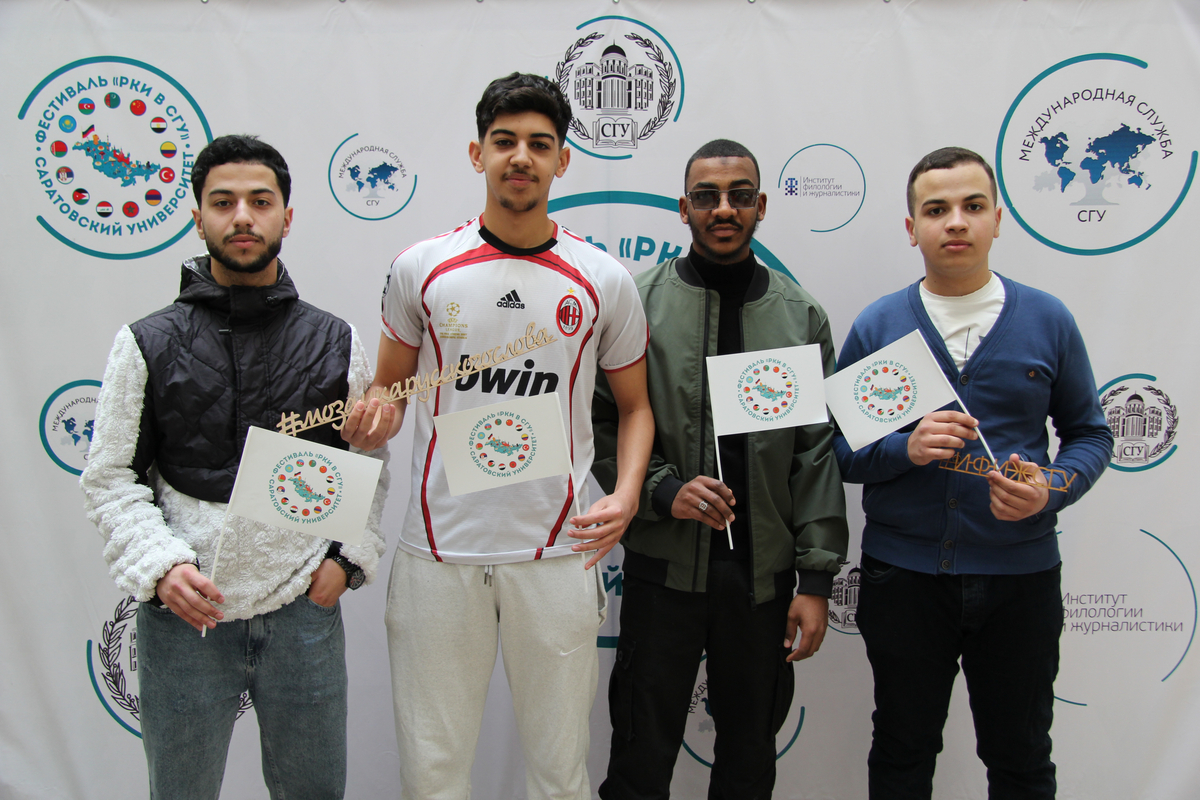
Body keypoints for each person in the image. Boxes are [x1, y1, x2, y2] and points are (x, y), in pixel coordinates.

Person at [339, 72, 654, 800]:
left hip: (558, 551)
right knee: (433, 773)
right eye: (504, 141)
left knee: (559, 772)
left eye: (540, 144)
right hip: (438, 553)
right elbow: (389, 389)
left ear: (562, 161)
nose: (521, 157)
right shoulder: (423, 268)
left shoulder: (602, 279)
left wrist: (629, 492)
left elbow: (636, 407)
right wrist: (377, 413)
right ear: (477, 153)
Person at [80, 135, 389, 800]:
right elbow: (110, 476)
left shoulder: (336, 339)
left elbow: (365, 460)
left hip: (302, 613)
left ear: (287, 216)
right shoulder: (145, 342)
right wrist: (162, 567)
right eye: (223, 203)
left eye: (260, 201)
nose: (242, 217)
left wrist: (346, 560)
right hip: (185, 616)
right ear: (198, 218)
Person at [832, 146, 1113, 799]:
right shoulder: (879, 325)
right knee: (901, 751)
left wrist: (1050, 490)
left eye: (972, 206)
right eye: (936, 210)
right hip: (903, 579)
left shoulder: (1048, 319)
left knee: (1021, 758)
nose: (955, 221)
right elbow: (840, 452)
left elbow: (1091, 434)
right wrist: (904, 449)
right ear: (912, 229)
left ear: (997, 220)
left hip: (1021, 581)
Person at [592, 139, 849, 799]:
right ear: (684, 209)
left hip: (761, 580)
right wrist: (661, 490)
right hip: (663, 569)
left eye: (740, 195)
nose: (724, 209)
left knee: (748, 760)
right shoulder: (637, 304)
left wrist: (815, 578)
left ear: (762, 205)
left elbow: (814, 452)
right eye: (707, 196)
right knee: (638, 756)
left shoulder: (798, 315)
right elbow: (599, 421)